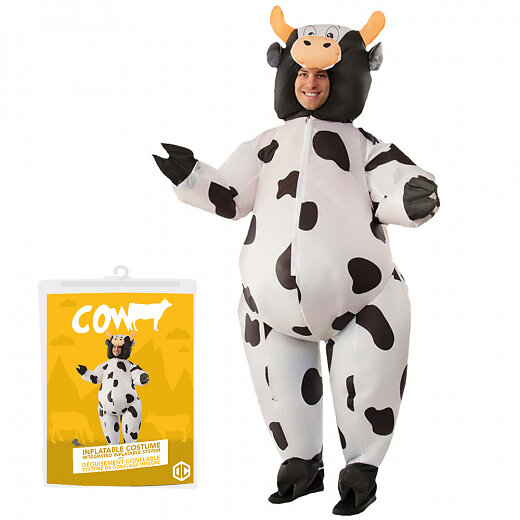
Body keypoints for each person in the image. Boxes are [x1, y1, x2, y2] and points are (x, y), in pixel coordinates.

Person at [154, 6, 438, 515]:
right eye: (303, 72)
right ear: (286, 72)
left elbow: (396, 187)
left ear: (350, 78)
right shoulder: (265, 146)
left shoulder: (365, 148)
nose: (310, 83)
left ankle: (361, 470)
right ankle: (299, 465)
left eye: (323, 75)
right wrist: (190, 175)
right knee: (280, 388)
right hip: (269, 305)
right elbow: (230, 196)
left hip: (363, 301)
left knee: (368, 384)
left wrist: (415, 197)